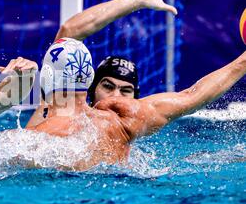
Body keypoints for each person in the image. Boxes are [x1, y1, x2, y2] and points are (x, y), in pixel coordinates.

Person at [21, 38, 246, 171]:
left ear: (46, 78)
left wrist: (9, 89)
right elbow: (192, 96)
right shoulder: (121, 120)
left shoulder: (29, 141)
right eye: (108, 86)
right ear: (90, 79)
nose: (115, 96)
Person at [27, 0, 186, 127]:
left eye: (126, 91)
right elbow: (69, 34)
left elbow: (191, 97)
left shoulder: (141, 130)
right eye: (108, 87)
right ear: (91, 90)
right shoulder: (59, 111)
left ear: (136, 99)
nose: (115, 97)